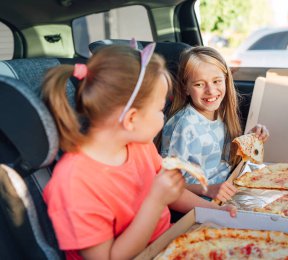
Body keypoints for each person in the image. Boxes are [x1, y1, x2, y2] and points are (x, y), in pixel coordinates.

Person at [42, 44, 236, 260]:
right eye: (159, 109)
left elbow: (173, 192)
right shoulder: (74, 181)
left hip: (170, 241)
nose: (163, 117)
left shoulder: (139, 146)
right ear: (131, 119)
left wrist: (215, 213)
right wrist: (156, 201)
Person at [161, 46, 269, 203]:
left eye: (217, 81)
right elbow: (168, 184)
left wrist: (252, 138)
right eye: (199, 84)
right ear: (186, 88)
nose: (211, 91)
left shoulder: (220, 113)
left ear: (226, 80)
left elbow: (221, 156)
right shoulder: (184, 126)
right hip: (203, 201)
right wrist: (209, 189)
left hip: (228, 186)